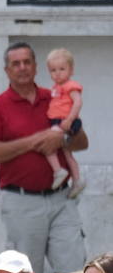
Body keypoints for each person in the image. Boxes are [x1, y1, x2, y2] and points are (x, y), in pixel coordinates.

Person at [0, 41, 87, 273]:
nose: (22, 67)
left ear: (36, 67)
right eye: (16, 63)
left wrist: (62, 138)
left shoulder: (56, 96)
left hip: (62, 199)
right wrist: (35, 141)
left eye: (27, 62)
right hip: (22, 204)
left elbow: (82, 142)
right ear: (7, 70)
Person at [44, 48, 83, 196]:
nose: (57, 73)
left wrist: (69, 119)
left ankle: (58, 171)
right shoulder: (55, 88)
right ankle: (77, 180)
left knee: (47, 143)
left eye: (62, 69)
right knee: (67, 153)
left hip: (66, 121)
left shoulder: (71, 86)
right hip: (58, 121)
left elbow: (78, 103)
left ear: (71, 70)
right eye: (53, 70)